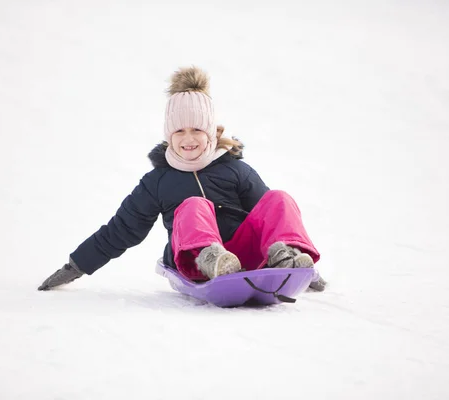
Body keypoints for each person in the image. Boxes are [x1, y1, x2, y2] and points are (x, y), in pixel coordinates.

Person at [38, 66, 326, 291]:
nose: (188, 139)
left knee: (278, 198)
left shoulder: (235, 170)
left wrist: (305, 273)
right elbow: (121, 230)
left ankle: (288, 258)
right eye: (179, 132)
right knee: (192, 205)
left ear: (211, 132)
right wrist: (75, 266)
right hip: (192, 261)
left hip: (240, 260)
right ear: (168, 136)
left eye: (197, 130)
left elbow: (272, 217)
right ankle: (210, 258)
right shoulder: (157, 182)